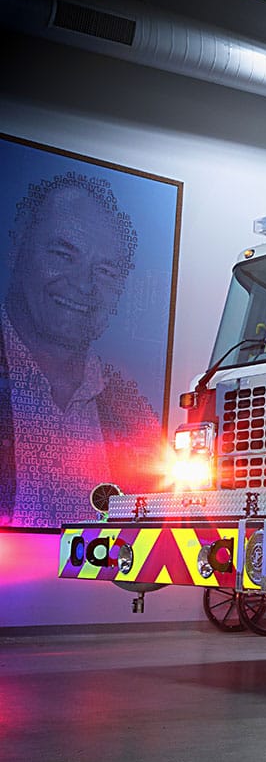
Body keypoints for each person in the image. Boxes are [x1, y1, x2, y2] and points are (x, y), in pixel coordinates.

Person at [0, 172, 162, 527]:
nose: (83, 284)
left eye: (105, 271)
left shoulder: (133, 412)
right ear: (16, 247)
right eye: (63, 254)